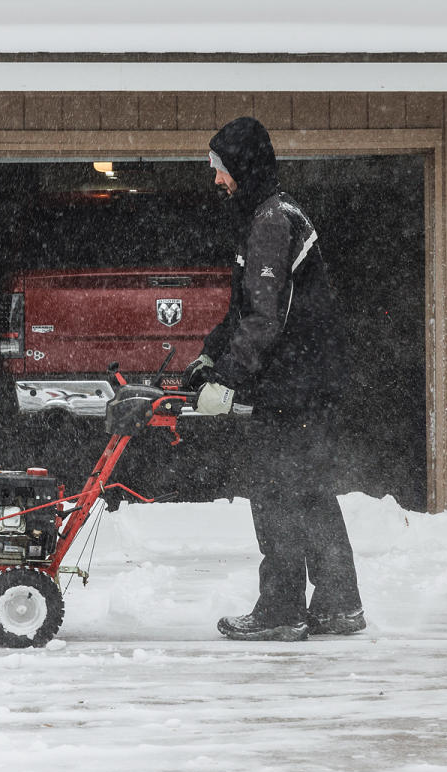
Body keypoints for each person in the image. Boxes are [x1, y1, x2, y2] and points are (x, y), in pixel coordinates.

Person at [181, 116, 365, 641]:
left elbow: (266, 319)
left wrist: (230, 379)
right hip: (305, 382)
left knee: (277, 492)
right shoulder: (270, 216)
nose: (216, 180)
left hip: (296, 386)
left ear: (244, 167)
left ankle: (282, 609)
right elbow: (243, 310)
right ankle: (337, 604)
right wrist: (208, 358)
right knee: (308, 491)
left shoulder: (271, 222)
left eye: (221, 169)